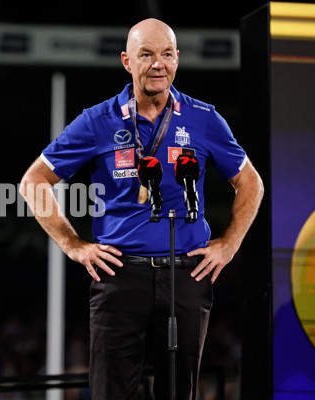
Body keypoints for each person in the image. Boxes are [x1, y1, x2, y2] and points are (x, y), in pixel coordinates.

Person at [19, 18, 264, 400]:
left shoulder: (204, 118)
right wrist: (74, 244)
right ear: (127, 61)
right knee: (110, 392)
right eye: (146, 54)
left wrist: (229, 244)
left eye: (166, 54)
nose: (158, 64)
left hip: (186, 274)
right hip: (119, 276)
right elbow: (33, 182)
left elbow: (251, 182)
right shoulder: (97, 121)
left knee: (178, 393)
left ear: (177, 59)